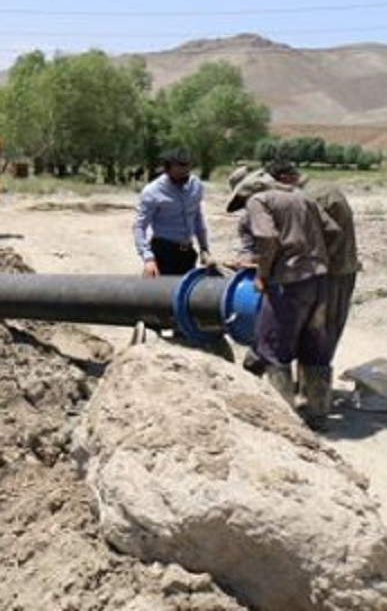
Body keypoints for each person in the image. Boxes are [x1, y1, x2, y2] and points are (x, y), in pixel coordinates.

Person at [226, 171, 340, 428]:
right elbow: (333, 230)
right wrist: (316, 256)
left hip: (287, 284)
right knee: (314, 345)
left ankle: (282, 423)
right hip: (319, 280)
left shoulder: (259, 201)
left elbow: (267, 238)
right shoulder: (303, 197)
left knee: (275, 346)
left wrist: (263, 273)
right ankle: (318, 414)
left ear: (248, 192)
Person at [266, 159, 360, 364]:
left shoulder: (308, 197)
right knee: (324, 331)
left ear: (283, 179)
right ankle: (313, 386)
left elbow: (321, 237)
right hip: (343, 268)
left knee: (317, 333)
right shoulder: (321, 187)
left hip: (330, 272)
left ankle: (312, 390)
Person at [132, 148, 211, 277]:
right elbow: (139, 226)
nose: (183, 177)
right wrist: (148, 259)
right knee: (160, 295)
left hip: (187, 254)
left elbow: (197, 218)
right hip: (163, 253)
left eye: (186, 173)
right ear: (167, 169)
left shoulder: (195, 185)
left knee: (185, 293)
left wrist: (204, 248)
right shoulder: (152, 191)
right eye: (178, 174)